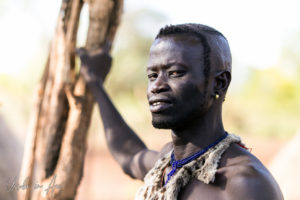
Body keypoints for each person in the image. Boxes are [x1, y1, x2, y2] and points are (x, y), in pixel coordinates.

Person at [77, 23, 283, 200]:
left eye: (175, 73)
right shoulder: (168, 163)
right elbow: (130, 154)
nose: (157, 86)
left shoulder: (245, 186)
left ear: (219, 83)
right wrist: (95, 82)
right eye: (152, 75)